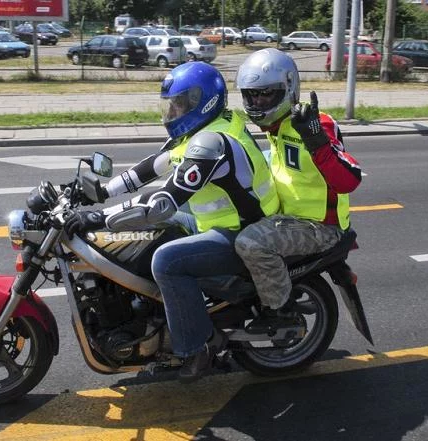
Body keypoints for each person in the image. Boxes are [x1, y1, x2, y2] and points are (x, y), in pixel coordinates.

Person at [63, 61, 279, 382]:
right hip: (217, 222)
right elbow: (152, 167)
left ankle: (198, 346)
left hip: (244, 232)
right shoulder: (202, 129)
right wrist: (101, 193)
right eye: (172, 104)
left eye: (180, 103)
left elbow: (163, 201)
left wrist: (99, 217)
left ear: (201, 101)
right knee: (148, 235)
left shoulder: (211, 143)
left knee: (166, 261)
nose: (173, 111)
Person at [234, 48, 362, 333]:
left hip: (319, 227)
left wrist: (317, 140)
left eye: (266, 94)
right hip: (288, 218)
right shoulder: (275, 126)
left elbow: (349, 180)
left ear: (288, 89)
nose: (257, 101)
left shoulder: (317, 124)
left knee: (251, 243)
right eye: (252, 95)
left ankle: (280, 312)